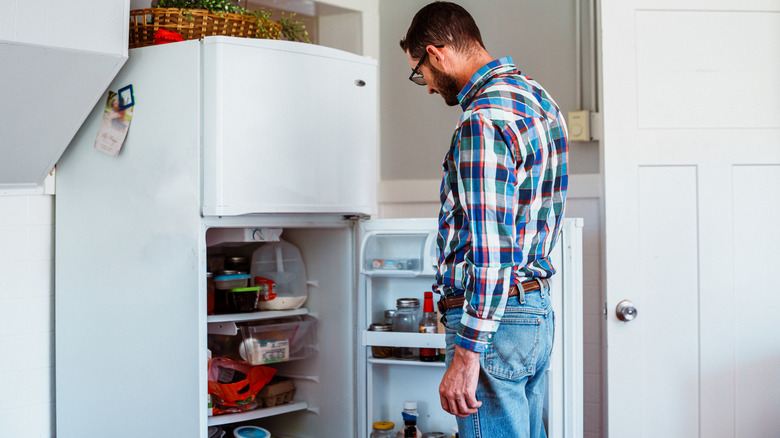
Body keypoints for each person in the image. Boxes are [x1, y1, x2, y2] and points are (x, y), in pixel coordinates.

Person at [399, 3, 569, 437]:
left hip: (493, 322)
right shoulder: (539, 98)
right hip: (533, 309)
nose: (429, 88)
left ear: (437, 54)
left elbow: (492, 250)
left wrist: (467, 354)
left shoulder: (482, 121)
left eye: (421, 73)